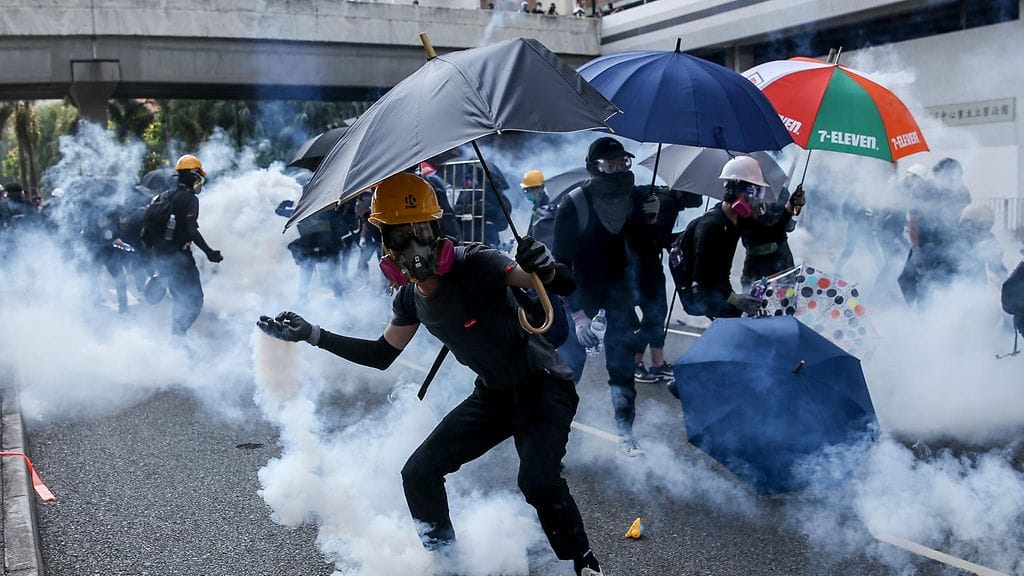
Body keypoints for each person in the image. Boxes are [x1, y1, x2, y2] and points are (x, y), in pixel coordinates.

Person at [257, 173, 605, 576]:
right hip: (493, 396)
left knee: (538, 481)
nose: (411, 246)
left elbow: (557, 283)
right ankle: (448, 564)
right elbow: (382, 354)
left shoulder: (477, 260)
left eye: (418, 230)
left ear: (437, 230)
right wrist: (312, 334)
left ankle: (584, 563)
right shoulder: (408, 298)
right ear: (383, 242)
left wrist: (543, 264)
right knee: (418, 474)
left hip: (543, 386)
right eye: (398, 235)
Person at [552, 136, 652, 456]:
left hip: (618, 292)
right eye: (611, 164)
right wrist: (578, 316)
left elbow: (644, 249)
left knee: (622, 367)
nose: (619, 168)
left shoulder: (637, 198)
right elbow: (560, 265)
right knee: (568, 371)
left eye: (623, 162)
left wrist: (654, 217)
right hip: (580, 293)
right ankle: (554, 442)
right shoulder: (574, 203)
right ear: (595, 168)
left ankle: (626, 432)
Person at [685, 156, 803, 319]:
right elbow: (703, 278)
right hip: (705, 293)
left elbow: (769, 235)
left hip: (721, 288)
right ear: (740, 193)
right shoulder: (712, 226)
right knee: (732, 321)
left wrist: (789, 208)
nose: (758, 199)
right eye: (756, 192)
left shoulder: (740, 219)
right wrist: (734, 299)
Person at [151, 154, 223, 336]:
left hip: (162, 257)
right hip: (180, 259)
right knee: (195, 300)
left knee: (179, 299)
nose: (199, 181)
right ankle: (178, 335)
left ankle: (177, 337)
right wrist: (209, 252)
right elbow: (191, 230)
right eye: (198, 176)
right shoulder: (190, 199)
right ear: (192, 175)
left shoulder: (165, 195)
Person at [738, 186, 797, 292]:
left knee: (784, 295)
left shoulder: (777, 192)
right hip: (764, 262)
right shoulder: (749, 197)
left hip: (772, 262)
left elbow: (787, 226)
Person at [956, 203, 1007, 285]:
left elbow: (998, 269)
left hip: (979, 288)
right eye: (982, 227)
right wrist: (976, 254)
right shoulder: (954, 242)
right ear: (967, 225)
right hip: (956, 289)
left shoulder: (989, 238)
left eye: (989, 227)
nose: (986, 232)